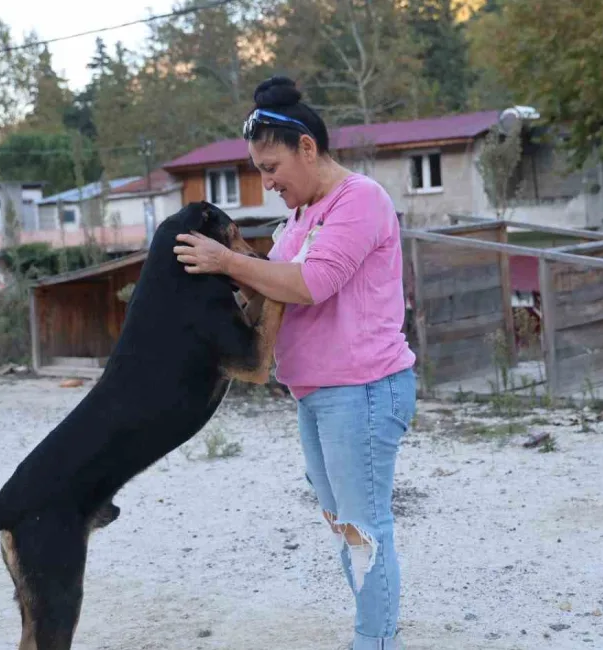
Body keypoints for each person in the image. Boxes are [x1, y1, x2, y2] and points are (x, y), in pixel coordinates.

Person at [173, 76, 417, 650]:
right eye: (259, 169)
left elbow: (311, 283)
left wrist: (226, 260)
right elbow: (269, 292)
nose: (268, 181)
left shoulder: (359, 199)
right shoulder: (304, 217)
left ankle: (375, 643)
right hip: (315, 392)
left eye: (273, 165)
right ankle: (375, 636)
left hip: (363, 390)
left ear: (308, 147)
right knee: (344, 527)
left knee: (363, 528)